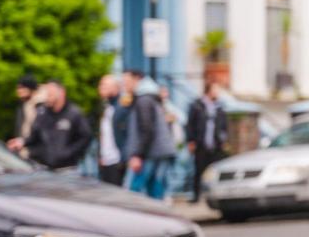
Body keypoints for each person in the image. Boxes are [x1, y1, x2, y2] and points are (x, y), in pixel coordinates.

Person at [7, 79, 92, 170]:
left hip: (68, 169)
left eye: (50, 94)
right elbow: (34, 136)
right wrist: (22, 142)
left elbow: (85, 137)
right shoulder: (42, 113)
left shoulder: (74, 113)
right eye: (47, 94)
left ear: (61, 92)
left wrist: (69, 153)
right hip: (45, 167)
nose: (47, 97)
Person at [121, 70, 177, 199]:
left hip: (149, 153)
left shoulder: (143, 100)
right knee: (155, 189)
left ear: (137, 79)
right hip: (159, 150)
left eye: (127, 82)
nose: (125, 86)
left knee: (134, 191)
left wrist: (138, 155)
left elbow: (146, 129)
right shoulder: (150, 97)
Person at [187, 81, 228, 202]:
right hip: (201, 143)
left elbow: (224, 125)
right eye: (216, 89)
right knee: (198, 170)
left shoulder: (219, 107)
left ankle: (216, 195)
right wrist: (191, 140)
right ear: (209, 90)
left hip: (215, 144)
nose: (218, 92)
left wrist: (224, 139)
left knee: (215, 170)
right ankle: (196, 196)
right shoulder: (197, 105)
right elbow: (190, 124)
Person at [97, 75, 128, 186]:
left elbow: (127, 133)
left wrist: (124, 158)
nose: (100, 88)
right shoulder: (106, 107)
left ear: (115, 88)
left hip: (117, 160)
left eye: (104, 85)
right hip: (106, 160)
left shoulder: (122, 106)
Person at [11, 75, 45, 157]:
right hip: (23, 148)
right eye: (18, 88)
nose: (18, 91)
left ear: (31, 89)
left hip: (36, 153)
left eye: (21, 88)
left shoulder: (42, 106)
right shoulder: (25, 103)